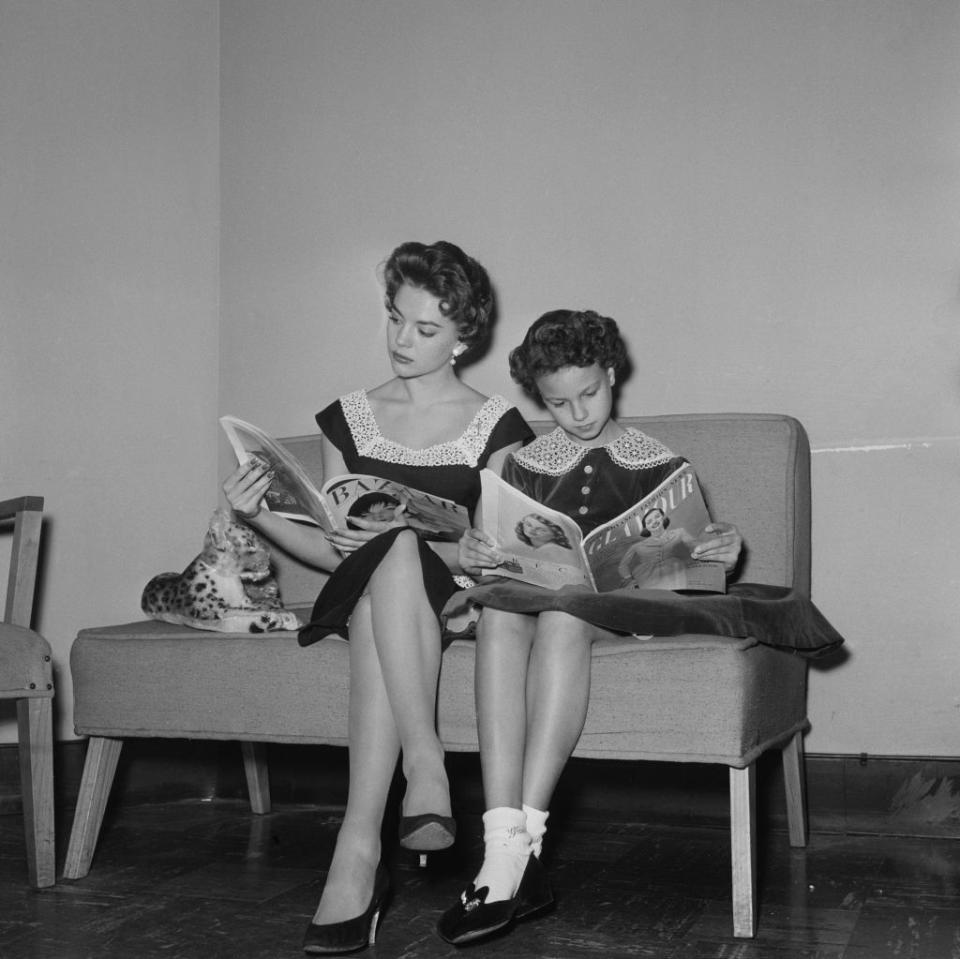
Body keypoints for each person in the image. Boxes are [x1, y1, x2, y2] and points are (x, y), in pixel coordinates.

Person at [223, 241, 533, 956]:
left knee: (395, 550)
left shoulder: (498, 426)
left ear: (466, 336)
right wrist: (258, 514)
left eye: (425, 330)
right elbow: (333, 548)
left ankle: (357, 856)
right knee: (382, 552)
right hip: (368, 586)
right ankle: (424, 765)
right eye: (395, 319)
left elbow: (491, 550)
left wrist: (470, 549)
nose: (402, 340)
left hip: (450, 599)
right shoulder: (348, 417)